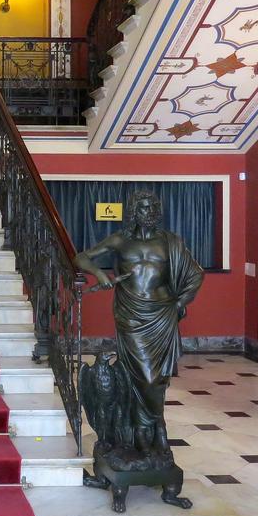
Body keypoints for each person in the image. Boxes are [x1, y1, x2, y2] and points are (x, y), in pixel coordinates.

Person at [74, 190, 203, 458]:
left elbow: (195, 274)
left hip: (162, 314)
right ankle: (150, 429)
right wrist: (99, 273)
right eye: (144, 208)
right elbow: (81, 257)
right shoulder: (120, 240)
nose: (150, 212)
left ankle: (151, 430)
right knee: (145, 376)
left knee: (159, 379)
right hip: (131, 315)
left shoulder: (171, 242)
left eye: (154, 207)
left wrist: (179, 305)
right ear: (134, 211)